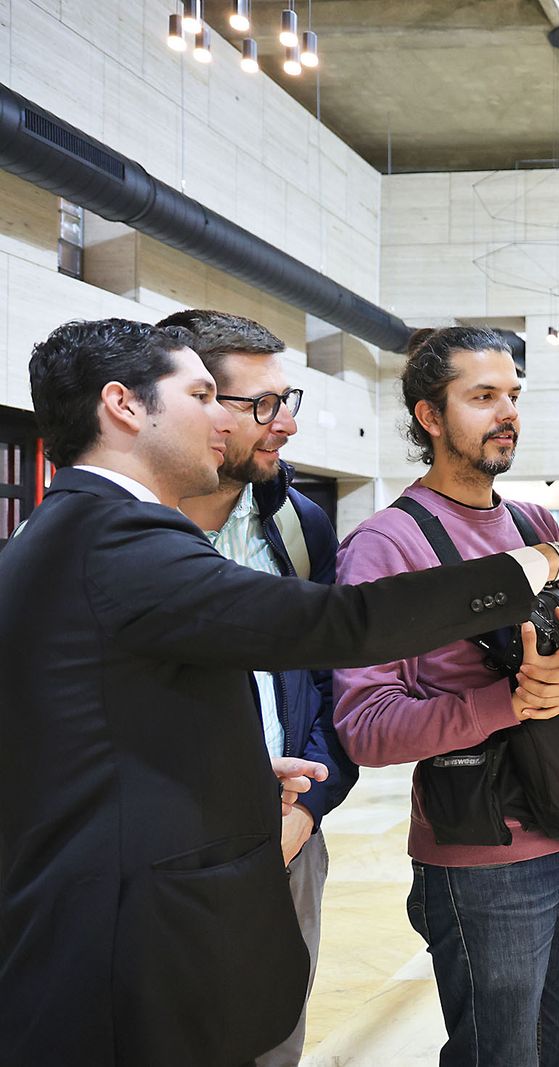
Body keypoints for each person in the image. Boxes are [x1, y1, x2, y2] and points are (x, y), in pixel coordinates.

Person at [0, 318, 559, 1066]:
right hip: (125, 932)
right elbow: (345, 626)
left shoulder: (79, 529)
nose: (226, 420)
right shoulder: (116, 536)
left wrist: (241, 776)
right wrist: (549, 562)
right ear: (124, 405)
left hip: (180, 885)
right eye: (203, 395)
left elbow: (100, 726)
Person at [334, 327, 559, 1067]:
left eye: (513, 396)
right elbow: (366, 725)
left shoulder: (535, 525)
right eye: (483, 396)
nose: (507, 413)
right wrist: (511, 703)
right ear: (430, 416)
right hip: (480, 863)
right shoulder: (386, 544)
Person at [159, 309, 357, 1067]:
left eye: (288, 400)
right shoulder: (115, 534)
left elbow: (335, 685)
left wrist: (305, 812)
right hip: (163, 854)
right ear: (196, 402)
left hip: (288, 842)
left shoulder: (301, 527)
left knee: (274, 1043)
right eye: (264, 405)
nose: (288, 425)